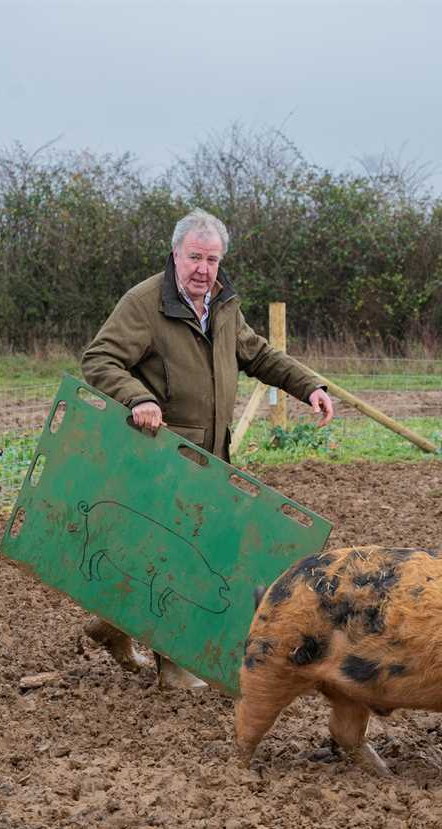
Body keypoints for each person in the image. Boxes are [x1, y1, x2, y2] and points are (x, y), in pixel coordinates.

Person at [80, 207, 334, 689]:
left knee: (175, 550)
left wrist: (309, 387)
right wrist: (138, 398)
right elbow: (99, 359)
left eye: (212, 259)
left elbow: (256, 354)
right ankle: (175, 665)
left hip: (211, 456)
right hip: (164, 455)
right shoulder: (145, 303)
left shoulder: (222, 303)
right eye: (194, 257)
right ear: (176, 254)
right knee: (180, 556)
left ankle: (110, 625)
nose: (203, 269)